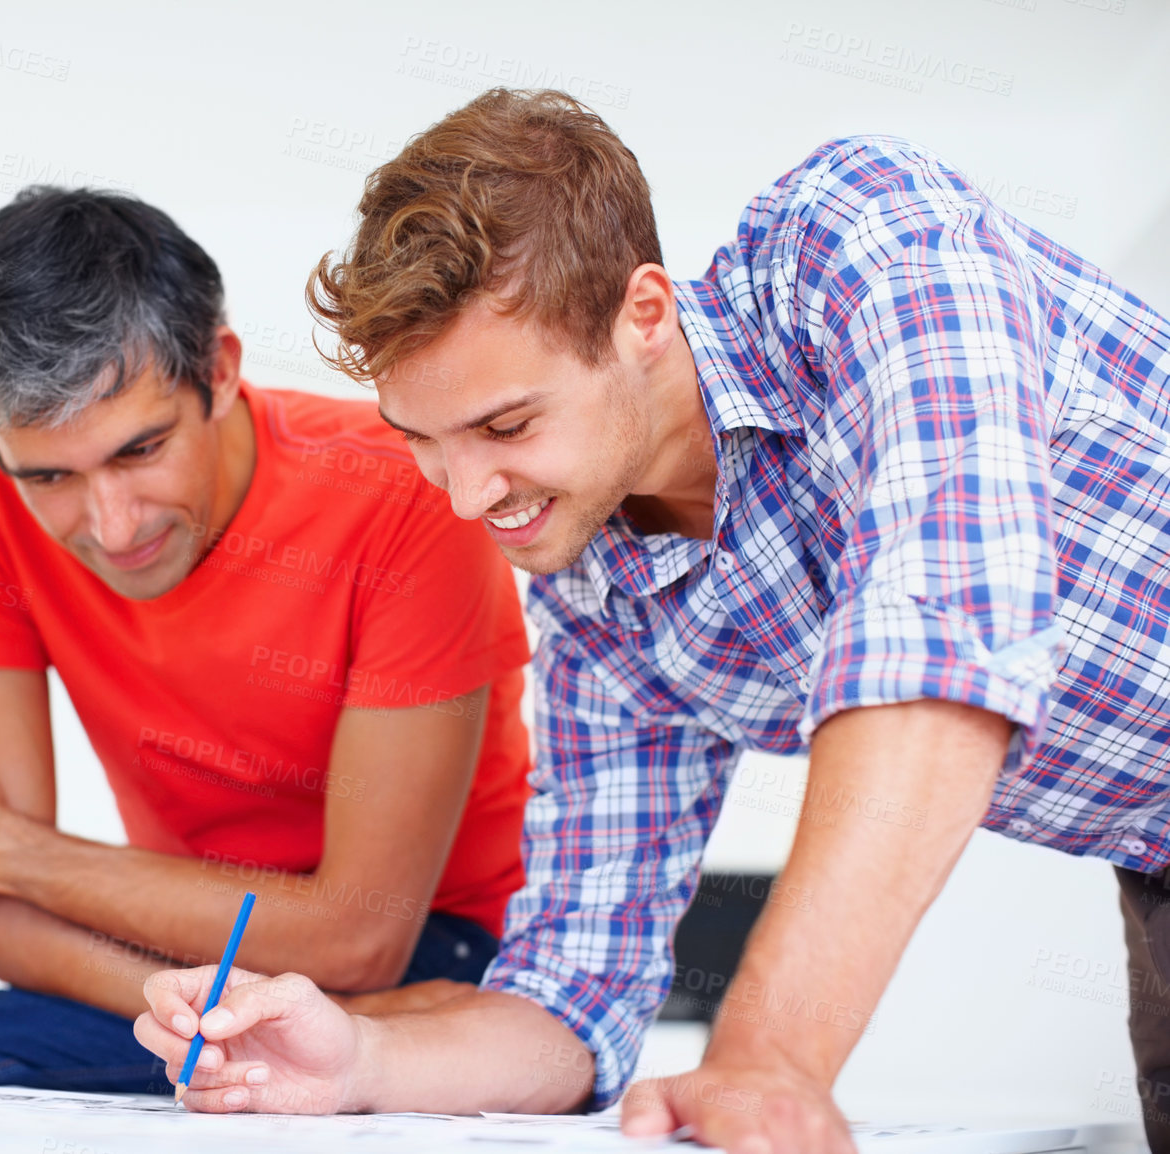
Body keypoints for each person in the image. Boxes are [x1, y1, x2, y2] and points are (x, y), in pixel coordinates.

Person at [133, 88, 1170, 1151]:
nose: (463, 495)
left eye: (505, 423)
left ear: (644, 313)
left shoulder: (865, 233)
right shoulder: (598, 598)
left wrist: (769, 1054)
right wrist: (360, 1057)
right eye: (423, 440)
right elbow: (573, 991)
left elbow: (941, 625)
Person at [0, 186, 535, 1095]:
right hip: (186, 951)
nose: (113, 523)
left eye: (140, 450)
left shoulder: (402, 495)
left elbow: (359, 937)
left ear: (218, 369)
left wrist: (14, 851)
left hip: (440, 952)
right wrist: (211, 1014)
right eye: (50, 475)